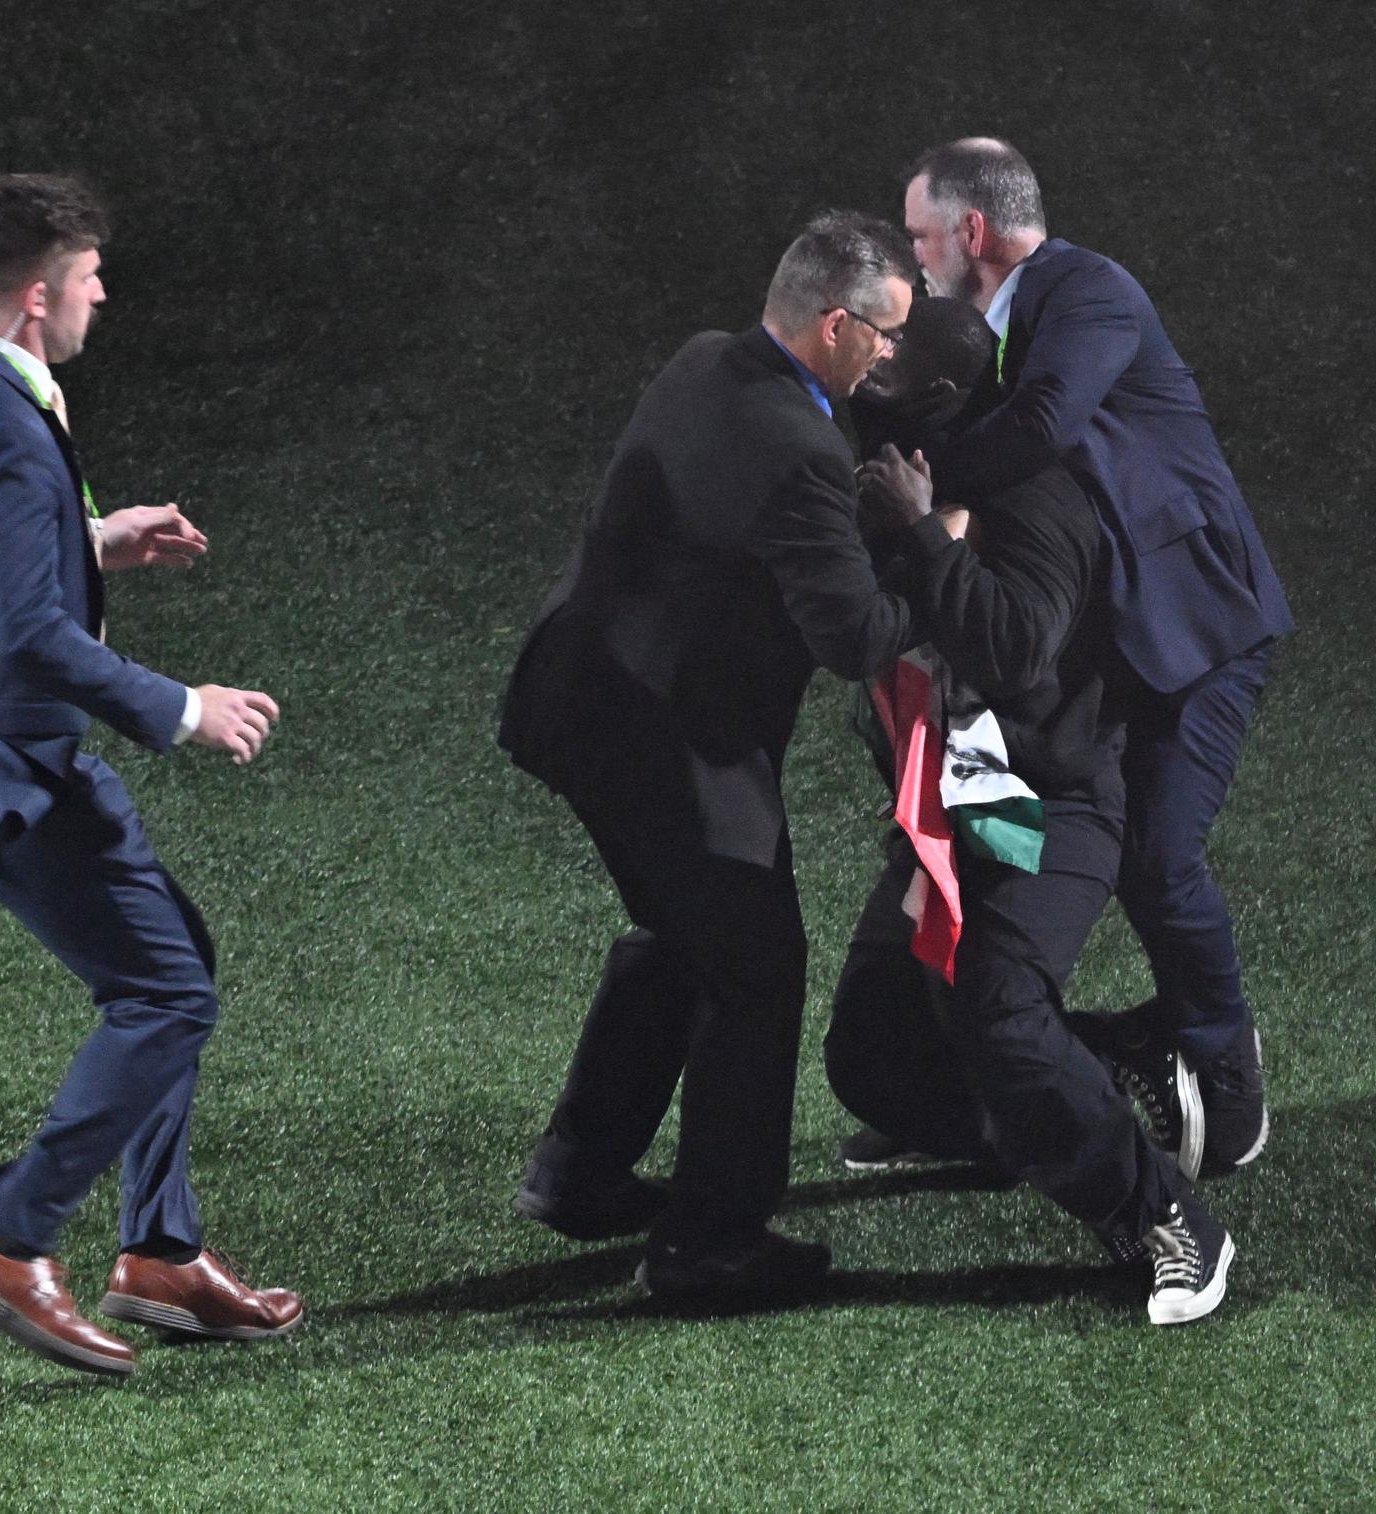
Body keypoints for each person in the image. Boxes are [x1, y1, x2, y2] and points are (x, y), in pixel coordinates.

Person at [0, 174, 300, 1378]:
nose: (104, 292)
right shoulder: (0, 420)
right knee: (168, 995)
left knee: (171, 962)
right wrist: (182, 706)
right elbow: (30, 637)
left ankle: (159, 1253)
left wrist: (93, 541)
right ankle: (10, 1237)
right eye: (91, 275)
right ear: (40, 298)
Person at [497, 212, 921, 1306]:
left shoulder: (703, 361)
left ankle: (580, 1171)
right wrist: (931, 543)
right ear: (834, 325)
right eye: (884, 336)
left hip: (575, 693)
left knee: (680, 929)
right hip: (663, 738)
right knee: (755, 962)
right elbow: (852, 638)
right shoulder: (806, 451)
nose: (891, 357)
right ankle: (709, 1243)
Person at [830, 296, 1236, 1325]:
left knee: (1000, 1012)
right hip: (951, 801)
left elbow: (1011, 649)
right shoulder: (894, 481)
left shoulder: (1041, 498)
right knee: (873, 1055)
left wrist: (924, 532)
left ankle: (1166, 1216)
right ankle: (1072, 1078)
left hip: (1049, 809)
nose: (859, 400)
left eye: (882, 382)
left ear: (937, 408)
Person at [896, 138, 1292, 1183]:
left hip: (1200, 633)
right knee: (1043, 840)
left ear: (971, 232)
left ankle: (1224, 1067)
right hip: (1113, 649)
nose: (912, 257)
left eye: (919, 235)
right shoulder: (990, 329)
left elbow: (1041, 423)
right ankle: (1036, 1061)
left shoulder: (1087, 289)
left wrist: (914, 485)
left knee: (1158, 854)